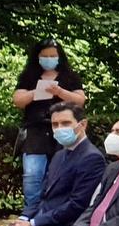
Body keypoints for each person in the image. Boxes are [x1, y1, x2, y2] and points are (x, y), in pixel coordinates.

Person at [10, 39, 87, 214]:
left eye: (53, 56)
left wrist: (59, 92)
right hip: (35, 131)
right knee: (32, 175)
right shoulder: (28, 77)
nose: (49, 59)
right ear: (37, 57)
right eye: (45, 56)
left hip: (63, 131)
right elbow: (18, 100)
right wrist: (37, 92)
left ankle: (58, 212)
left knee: (63, 173)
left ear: (60, 57)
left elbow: (80, 101)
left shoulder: (70, 77)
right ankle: (30, 213)